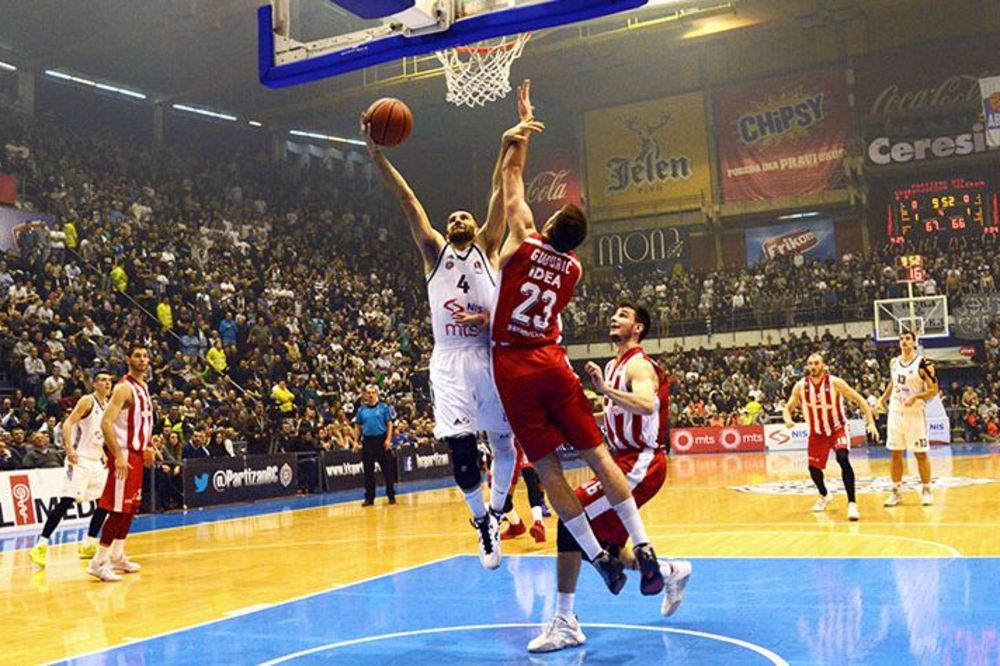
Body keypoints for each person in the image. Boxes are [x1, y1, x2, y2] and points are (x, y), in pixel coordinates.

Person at [491, 94, 664, 597]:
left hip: (513, 364)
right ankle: (643, 545)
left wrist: (518, 134)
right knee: (598, 457)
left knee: (548, 473)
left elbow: (511, 187)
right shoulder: (574, 268)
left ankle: (597, 558)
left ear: (546, 227)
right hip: (554, 360)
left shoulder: (523, 240)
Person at [362, 88, 527, 569]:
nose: (457, 218)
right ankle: (480, 522)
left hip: (489, 352)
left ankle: (496, 513)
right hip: (450, 359)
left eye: (464, 216)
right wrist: (376, 155)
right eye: (451, 215)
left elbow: (501, 191)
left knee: (503, 443)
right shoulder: (434, 251)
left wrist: (506, 145)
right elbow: (407, 199)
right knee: (461, 447)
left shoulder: (488, 246)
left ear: (475, 226)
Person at [528, 304, 692, 652]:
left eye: (623, 314)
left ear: (638, 328)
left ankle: (565, 621)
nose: (614, 318)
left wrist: (606, 390)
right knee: (599, 547)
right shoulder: (612, 365)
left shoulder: (638, 364)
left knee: (571, 520)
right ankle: (667, 571)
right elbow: (613, 418)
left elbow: (647, 405)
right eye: (614, 314)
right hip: (620, 459)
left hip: (641, 461)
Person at [29, 373, 113, 568]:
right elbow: (68, 423)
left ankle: (89, 544)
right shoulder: (87, 400)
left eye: (109, 380)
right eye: (102, 379)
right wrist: (69, 448)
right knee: (66, 502)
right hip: (79, 459)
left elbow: (101, 434)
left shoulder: (108, 405)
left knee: (105, 503)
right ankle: (41, 544)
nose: (107, 383)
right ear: (94, 383)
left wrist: (104, 452)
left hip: (96, 461)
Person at [782, 353, 880, 521]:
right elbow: (788, 407)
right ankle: (824, 494)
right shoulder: (800, 386)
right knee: (813, 469)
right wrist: (787, 419)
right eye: (810, 363)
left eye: (816, 363)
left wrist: (870, 422)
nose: (813, 366)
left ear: (823, 365)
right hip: (817, 432)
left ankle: (852, 503)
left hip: (837, 428)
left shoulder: (835, 382)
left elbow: (860, 400)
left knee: (842, 457)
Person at [87, 345, 154, 582]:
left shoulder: (143, 387)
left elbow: (141, 423)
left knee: (131, 507)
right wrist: (118, 454)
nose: (142, 359)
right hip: (124, 455)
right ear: (128, 359)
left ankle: (117, 554)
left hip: (136, 453)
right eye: (137, 355)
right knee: (117, 509)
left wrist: (147, 446)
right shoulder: (124, 388)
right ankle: (98, 561)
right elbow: (106, 423)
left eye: (145, 355)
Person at [877, 330, 938, 507]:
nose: (904, 341)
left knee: (920, 453)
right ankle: (896, 492)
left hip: (915, 413)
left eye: (908, 339)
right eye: (901, 339)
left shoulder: (924, 363)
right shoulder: (894, 362)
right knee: (895, 453)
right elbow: (893, 383)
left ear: (914, 342)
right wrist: (882, 399)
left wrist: (916, 397)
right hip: (896, 411)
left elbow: (933, 390)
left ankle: (926, 489)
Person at [353, 385, 397, 506]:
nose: (371, 395)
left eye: (373, 392)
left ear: (377, 394)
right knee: (368, 471)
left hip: (381, 440)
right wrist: (356, 441)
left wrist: (388, 439)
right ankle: (369, 498)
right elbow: (357, 426)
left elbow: (389, 424)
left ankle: (391, 495)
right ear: (365, 395)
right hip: (368, 441)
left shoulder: (384, 408)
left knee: (387, 470)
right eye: (368, 393)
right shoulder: (361, 410)